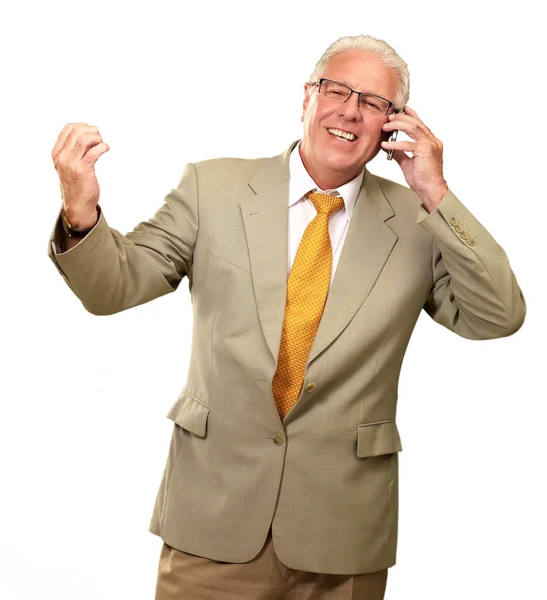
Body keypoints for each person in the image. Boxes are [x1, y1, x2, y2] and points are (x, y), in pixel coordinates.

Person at [47, 34, 526, 600]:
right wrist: (80, 209)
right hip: (213, 521)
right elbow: (115, 286)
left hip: (346, 534)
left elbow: (498, 315)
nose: (350, 110)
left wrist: (436, 192)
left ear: (394, 126)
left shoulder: (419, 222)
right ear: (307, 97)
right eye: (338, 90)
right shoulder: (212, 186)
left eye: (374, 103)